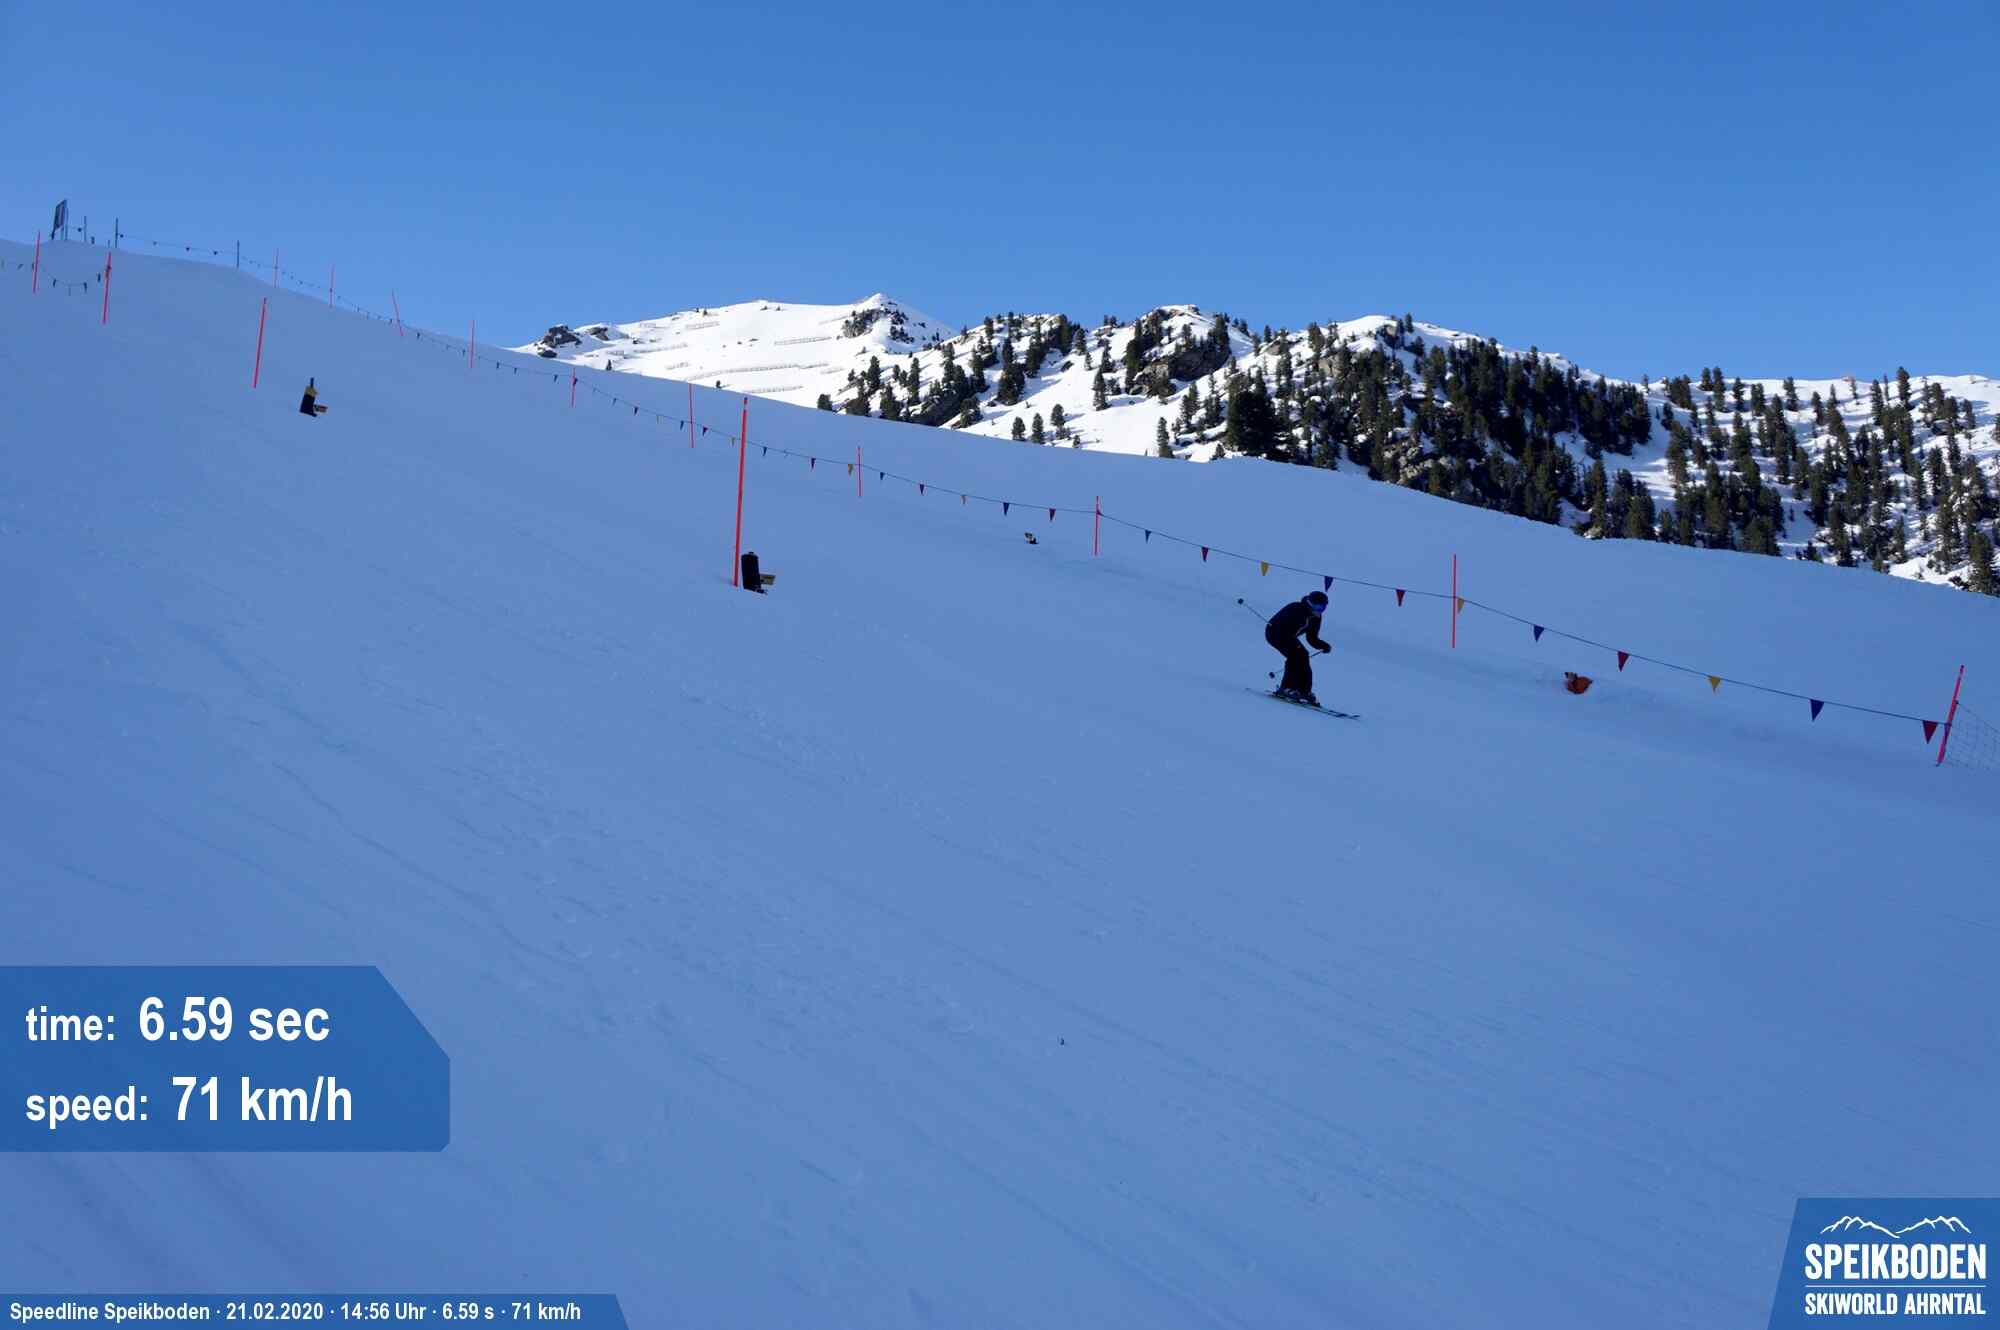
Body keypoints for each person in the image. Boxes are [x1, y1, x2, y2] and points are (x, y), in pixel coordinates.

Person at [1265, 589, 1331, 704]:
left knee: (1303, 655)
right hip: (1275, 633)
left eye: (1323, 608)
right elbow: (1279, 624)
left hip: (1290, 637)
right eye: (1318, 607)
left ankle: (1304, 691)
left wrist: (1323, 645)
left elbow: (1311, 638)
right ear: (1310, 603)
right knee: (1296, 655)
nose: (1320, 610)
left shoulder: (1316, 617)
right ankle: (1286, 688)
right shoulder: (1296, 608)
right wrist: (1291, 642)